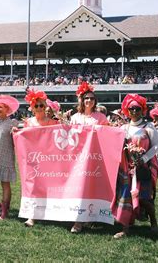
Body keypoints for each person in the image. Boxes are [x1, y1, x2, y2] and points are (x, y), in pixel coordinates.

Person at [112, 94, 158, 239]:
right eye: (131, 108)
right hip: (126, 169)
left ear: (142, 109)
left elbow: (157, 146)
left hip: (144, 168)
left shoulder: (149, 127)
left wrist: (144, 158)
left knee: (144, 197)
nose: (134, 111)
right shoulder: (123, 127)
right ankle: (125, 229)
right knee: (125, 197)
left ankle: (153, 221)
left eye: (137, 108)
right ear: (127, 110)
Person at [69, 81, 108, 233]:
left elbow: (107, 135)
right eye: (86, 98)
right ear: (82, 100)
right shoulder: (75, 117)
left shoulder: (101, 117)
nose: (89, 101)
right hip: (78, 160)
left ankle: (91, 216)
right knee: (79, 188)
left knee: (91, 188)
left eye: (92, 98)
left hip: (95, 159)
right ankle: (78, 221)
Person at [22, 88, 59, 227]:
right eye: (36, 106)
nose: (39, 108)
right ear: (32, 107)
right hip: (33, 161)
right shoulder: (29, 122)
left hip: (49, 160)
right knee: (33, 188)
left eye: (41, 105)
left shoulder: (52, 123)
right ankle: (32, 216)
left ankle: (49, 212)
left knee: (49, 187)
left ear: (45, 107)